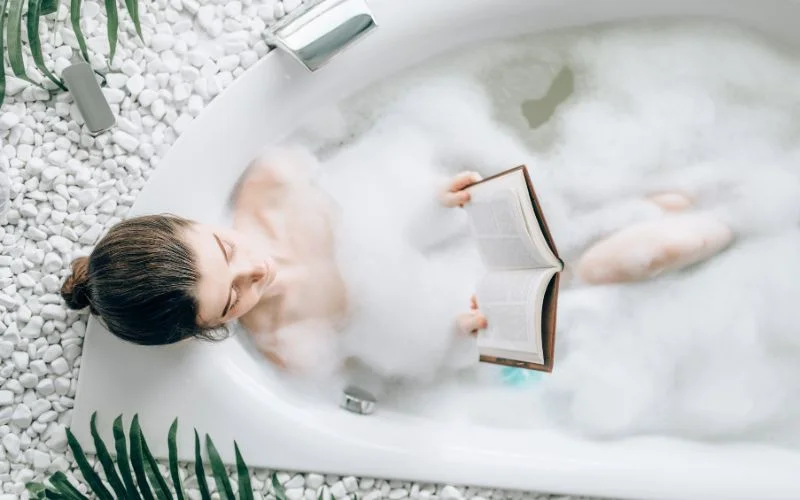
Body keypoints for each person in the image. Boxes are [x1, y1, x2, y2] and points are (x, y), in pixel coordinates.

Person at [61, 147, 733, 374]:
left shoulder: (272, 178)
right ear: (214, 326)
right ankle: (718, 230)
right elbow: (405, 358)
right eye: (231, 299)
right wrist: (455, 334)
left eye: (228, 254)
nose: (255, 275)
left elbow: (368, 179)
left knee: (643, 204)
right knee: (653, 250)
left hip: (469, 229)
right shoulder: (290, 343)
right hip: (472, 294)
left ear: (193, 221)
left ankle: (662, 206)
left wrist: (428, 197)